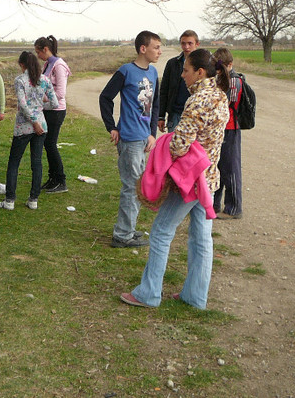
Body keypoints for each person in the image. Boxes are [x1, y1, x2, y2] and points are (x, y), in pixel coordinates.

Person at [120, 48, 230, 310]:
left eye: (186, 70)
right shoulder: (221, 96)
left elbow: (180, 145)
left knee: (160, 231)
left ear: (200, 72)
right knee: (201, 240)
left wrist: (164, 146)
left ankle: (149, 293)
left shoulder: (199, 100)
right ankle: (195, 296)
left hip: (189, 183)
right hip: (209, 180)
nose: (182, 75)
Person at [99, 31, 162, 248]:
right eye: (156, 47)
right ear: (143, 48)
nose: (159, 51)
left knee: (138, 186)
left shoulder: (153, 73)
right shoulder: (125, 71)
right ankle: (122, 235)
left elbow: (155, 106)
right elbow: (105, 97)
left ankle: (129, 229)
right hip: (129, 139)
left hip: (144, 138)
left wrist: (152, 133)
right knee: (132, 187)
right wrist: (112, 127)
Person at [0, 51, 58, 211]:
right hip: (41, 126)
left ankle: (10, 200)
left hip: (23, 127)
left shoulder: (20, 80)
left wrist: (33, 119)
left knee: (14, 162)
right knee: (36, 163)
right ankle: (33, 199)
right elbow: (55, 103)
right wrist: (39, 109)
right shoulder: (44, 80)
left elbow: (23, 104)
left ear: (22, 64)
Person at [34, 35, 71, 194]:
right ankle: (52, 178)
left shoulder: (59, 66)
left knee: (50, 144)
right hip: (47, 110)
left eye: (38, 52)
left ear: (46, 49)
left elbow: (60, 93)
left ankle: (60, 180)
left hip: (56, 111)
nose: (38, 56)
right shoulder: (47, 65)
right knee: (47, 145)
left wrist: (42, 98)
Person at [212, 48, 244, 219]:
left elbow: (222, 103)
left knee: (231, 169)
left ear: (229, 65)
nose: (217, 70)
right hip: (221, 128)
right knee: (218, 167)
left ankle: (234, 208)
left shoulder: (234, 81)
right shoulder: (221, 79)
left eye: (220, 67)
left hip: (230, 128)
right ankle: (214, 205)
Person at [158, 30, 200, 133]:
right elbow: (164, 90)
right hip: (176, 114)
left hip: (197, 115)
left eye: (190, 43)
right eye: (183, 43)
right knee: (175, 147)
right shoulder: (172, 64)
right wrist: (161, 116)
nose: (186, 47)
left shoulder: (205, 64)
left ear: (197, 44)